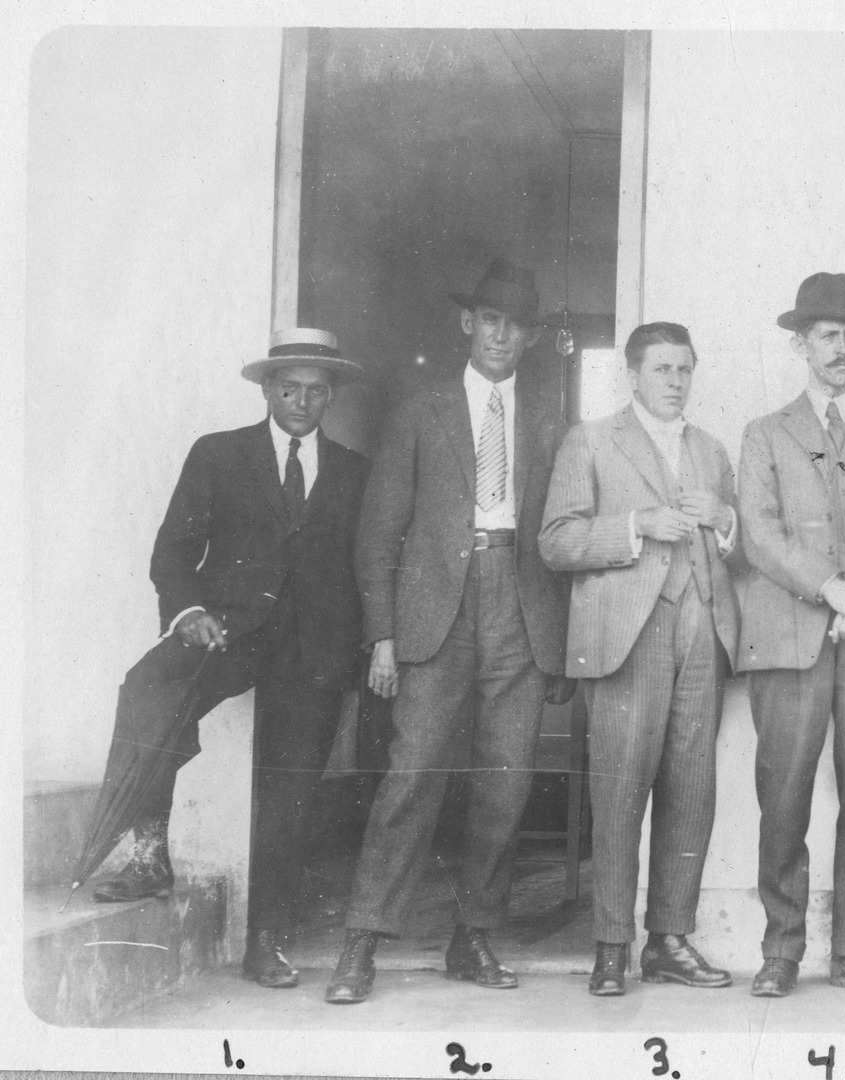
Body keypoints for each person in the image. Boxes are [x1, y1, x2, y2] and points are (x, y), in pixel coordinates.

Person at [89, 328, 368, 989]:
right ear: (267, 389)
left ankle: (266, 941)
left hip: (313, 647)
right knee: (150, 686)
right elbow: (172, 552)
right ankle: (149, 853)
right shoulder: (218, 454)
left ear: (332, 395)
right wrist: (189, 612)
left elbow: (368, 562)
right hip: (231, 630)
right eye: (289, 388)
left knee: (289, 790)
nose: (302, 401)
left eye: (316, 390)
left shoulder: (357, 471)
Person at [325, 258, 569, 1004]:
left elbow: (558, 535)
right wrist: (383, 635)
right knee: (413, 772)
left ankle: (473, 936)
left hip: (519, 608)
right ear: (469, 324)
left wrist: (560, 644)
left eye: (516, 326)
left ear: (530, 338)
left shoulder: (548, 421)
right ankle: (363, 940)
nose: (501, 336)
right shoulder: (421, 410)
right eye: (490, 320)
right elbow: (378, 532)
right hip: (435, 611)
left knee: (506, 781)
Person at [539, 322, 742, 996]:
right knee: (620, 790)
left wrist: (725, 519)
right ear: (631, 376)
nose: (675, 381)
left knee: (692, 790)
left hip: (702, 630)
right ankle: (610, 946)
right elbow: (555, 542)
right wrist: (635, 527)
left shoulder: (711, 450)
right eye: (662, 369)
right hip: (628, 634)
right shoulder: (591, 440)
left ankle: (670, 941)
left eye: (684, 369)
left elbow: (740, 547)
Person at [735, 272, 845, 997]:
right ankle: (781, 950)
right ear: (800, 345)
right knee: (784, 794)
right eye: (827, 336)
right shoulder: (764, 435)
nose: (841, 349)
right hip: (790, 641)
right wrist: (832, 588)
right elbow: (759, 534)